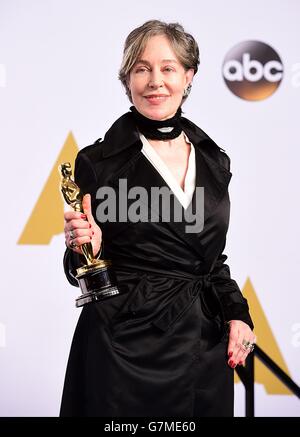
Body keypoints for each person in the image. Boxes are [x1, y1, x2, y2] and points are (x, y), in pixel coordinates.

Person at [60, 19, 256, 417]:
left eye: (168, 68)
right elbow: (80, 265)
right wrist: (85, 249)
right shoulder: (98, 162)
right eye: (141, 68)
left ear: (188, 77)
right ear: (127, 80)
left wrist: (237, 314)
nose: (155, 81)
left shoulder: (215, 160)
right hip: (124, 345)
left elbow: (209, 259)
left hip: (202, 343)